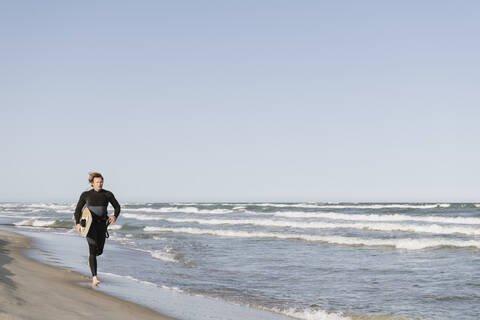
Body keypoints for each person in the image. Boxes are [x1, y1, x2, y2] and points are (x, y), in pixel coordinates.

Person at [74, 172, 120, 288]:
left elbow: (117, 206)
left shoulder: (107, 194)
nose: (99, 184)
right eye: (97, 182)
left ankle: (91, 256)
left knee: (99, 251)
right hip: (89, 225)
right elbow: (78, 210)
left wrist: (114, 216)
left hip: (102, 225)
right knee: (93, 247)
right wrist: (78, 223)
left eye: (101, 182)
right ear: (92, 183)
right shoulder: (86, 195)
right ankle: (94, 278)